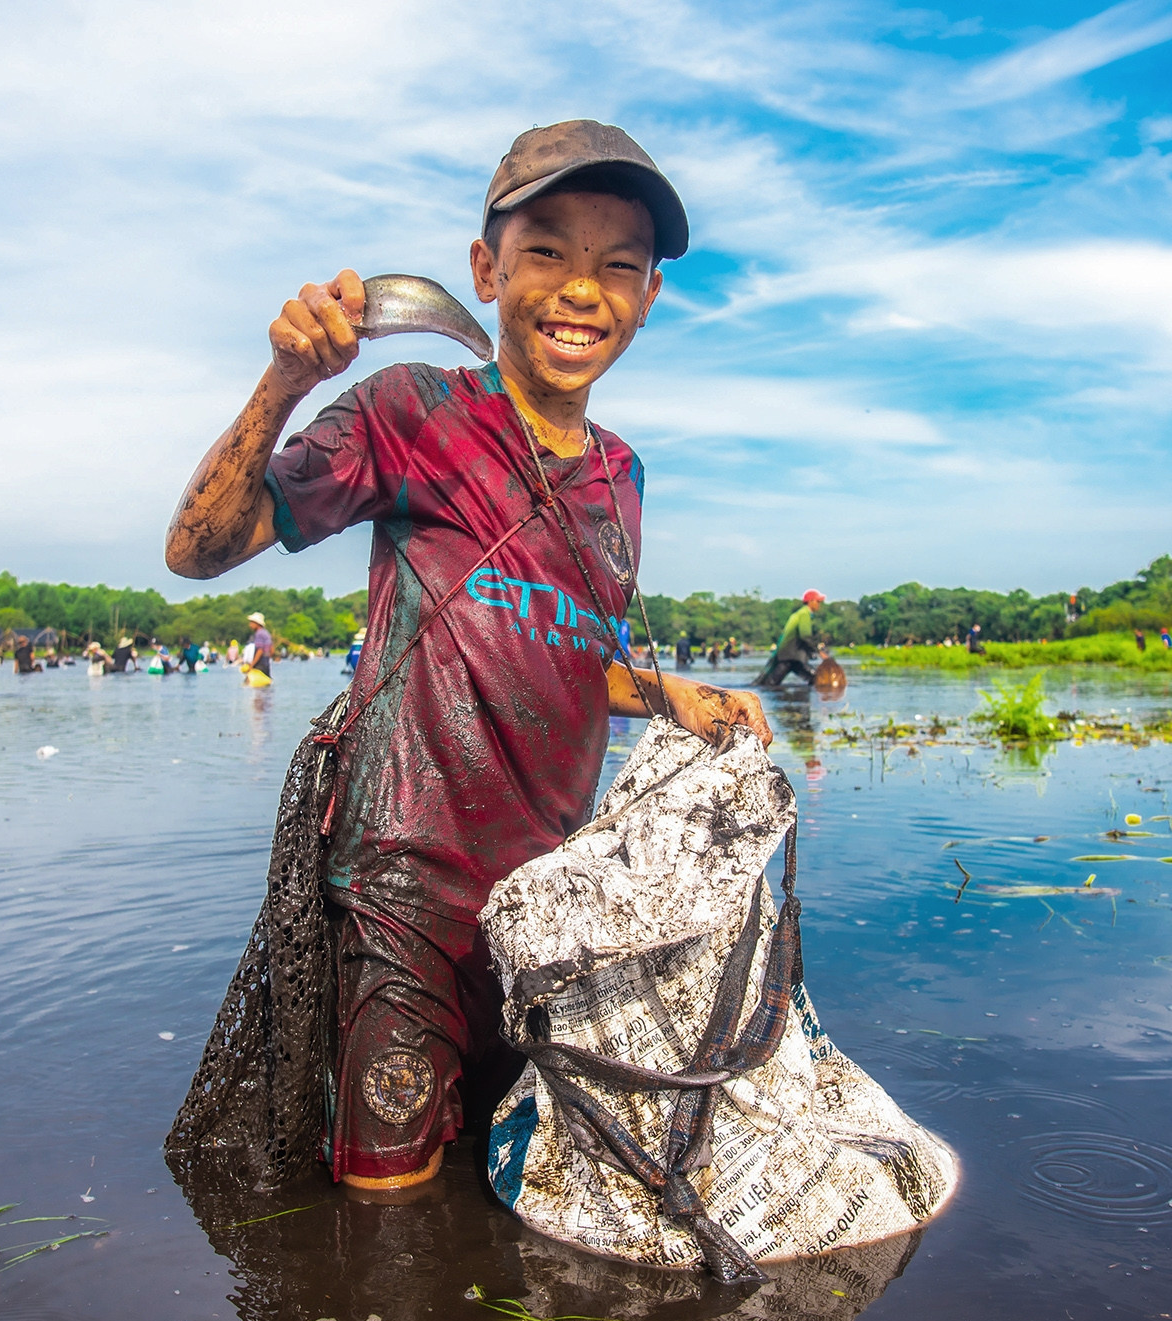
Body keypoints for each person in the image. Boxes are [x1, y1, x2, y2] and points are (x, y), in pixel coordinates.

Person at [162, 119, 769, 1192]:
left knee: (514, 1186)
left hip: (547, 910)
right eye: (546, 252)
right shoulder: (412, 413)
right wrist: (282, 383)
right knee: (385, 1212)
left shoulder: (621, 477)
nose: (581, 288)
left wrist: (673, 693)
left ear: (647, 298)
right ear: (486, 271)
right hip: (408, 892)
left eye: (616, 265)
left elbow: (567, 654)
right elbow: (198, 547)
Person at [754, 590, 826, 686]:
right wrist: (819, 651)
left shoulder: (800, 613)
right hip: (790, 656)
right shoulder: (804, 614)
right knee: (770, 684)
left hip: (790, 656)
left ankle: (798, 697)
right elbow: (805, 636)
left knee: (770, 683)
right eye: (818, 602)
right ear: (811, 601)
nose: (819, 605)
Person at [244, 613, 274, 678]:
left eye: (252, 623)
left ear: (257, 623)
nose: (250, 625)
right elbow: (272, 650)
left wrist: (251, 666)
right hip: (266, 665)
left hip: (259, 664)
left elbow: (260, 651)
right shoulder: (266, 633)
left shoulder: (259, 634)